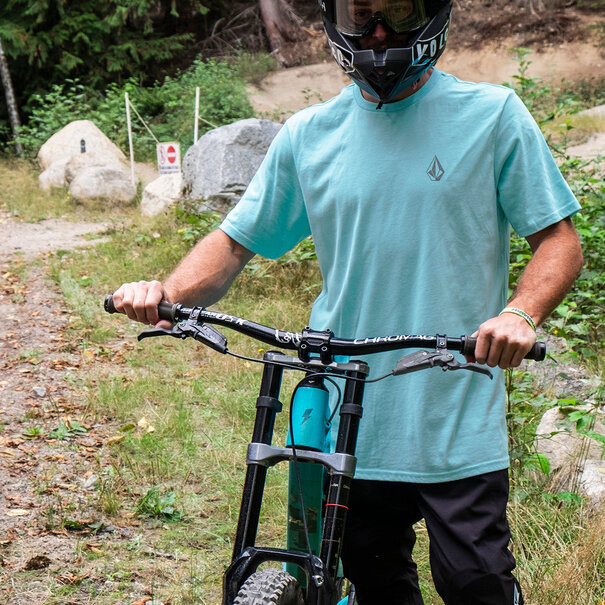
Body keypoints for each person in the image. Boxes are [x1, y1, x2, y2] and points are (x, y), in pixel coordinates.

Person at [112, 0, 583, 603]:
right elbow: (234, 244)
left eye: (397, 11)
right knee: (371, 582)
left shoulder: (492, 116)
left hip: (454, 409)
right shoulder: (309, 134)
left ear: (432, 15)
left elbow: (559, 241)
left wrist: (519, 314)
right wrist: (166, 293)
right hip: (343, 412)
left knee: (477, 584)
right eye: (360, 13)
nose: (378, 31)